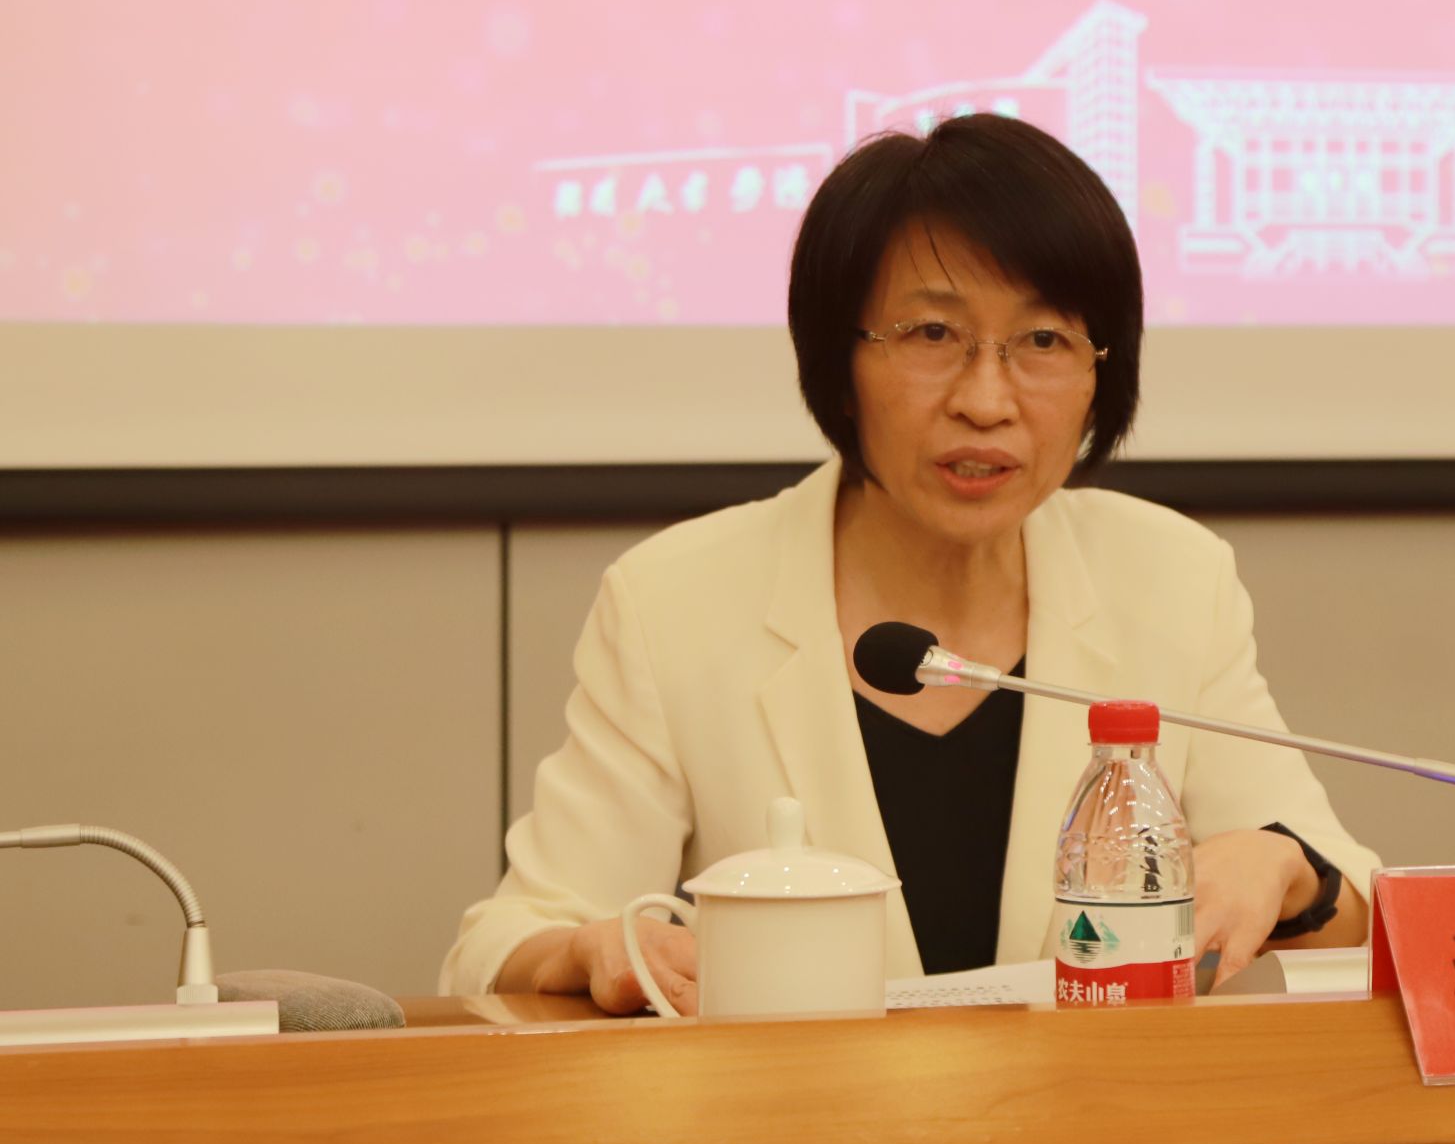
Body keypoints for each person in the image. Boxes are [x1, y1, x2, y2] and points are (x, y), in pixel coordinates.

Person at [441, 115, 1378, 1013]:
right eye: (932, 335)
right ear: (839, 362)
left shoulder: (1171, 579)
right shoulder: (676, 601)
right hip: (794, 1116)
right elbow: (497, 948)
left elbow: (1361, 913)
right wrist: (588, 949)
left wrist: (1287, 866)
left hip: (1093, 1114)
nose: (986, 400)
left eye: (1043, 341)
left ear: (1102, 372)